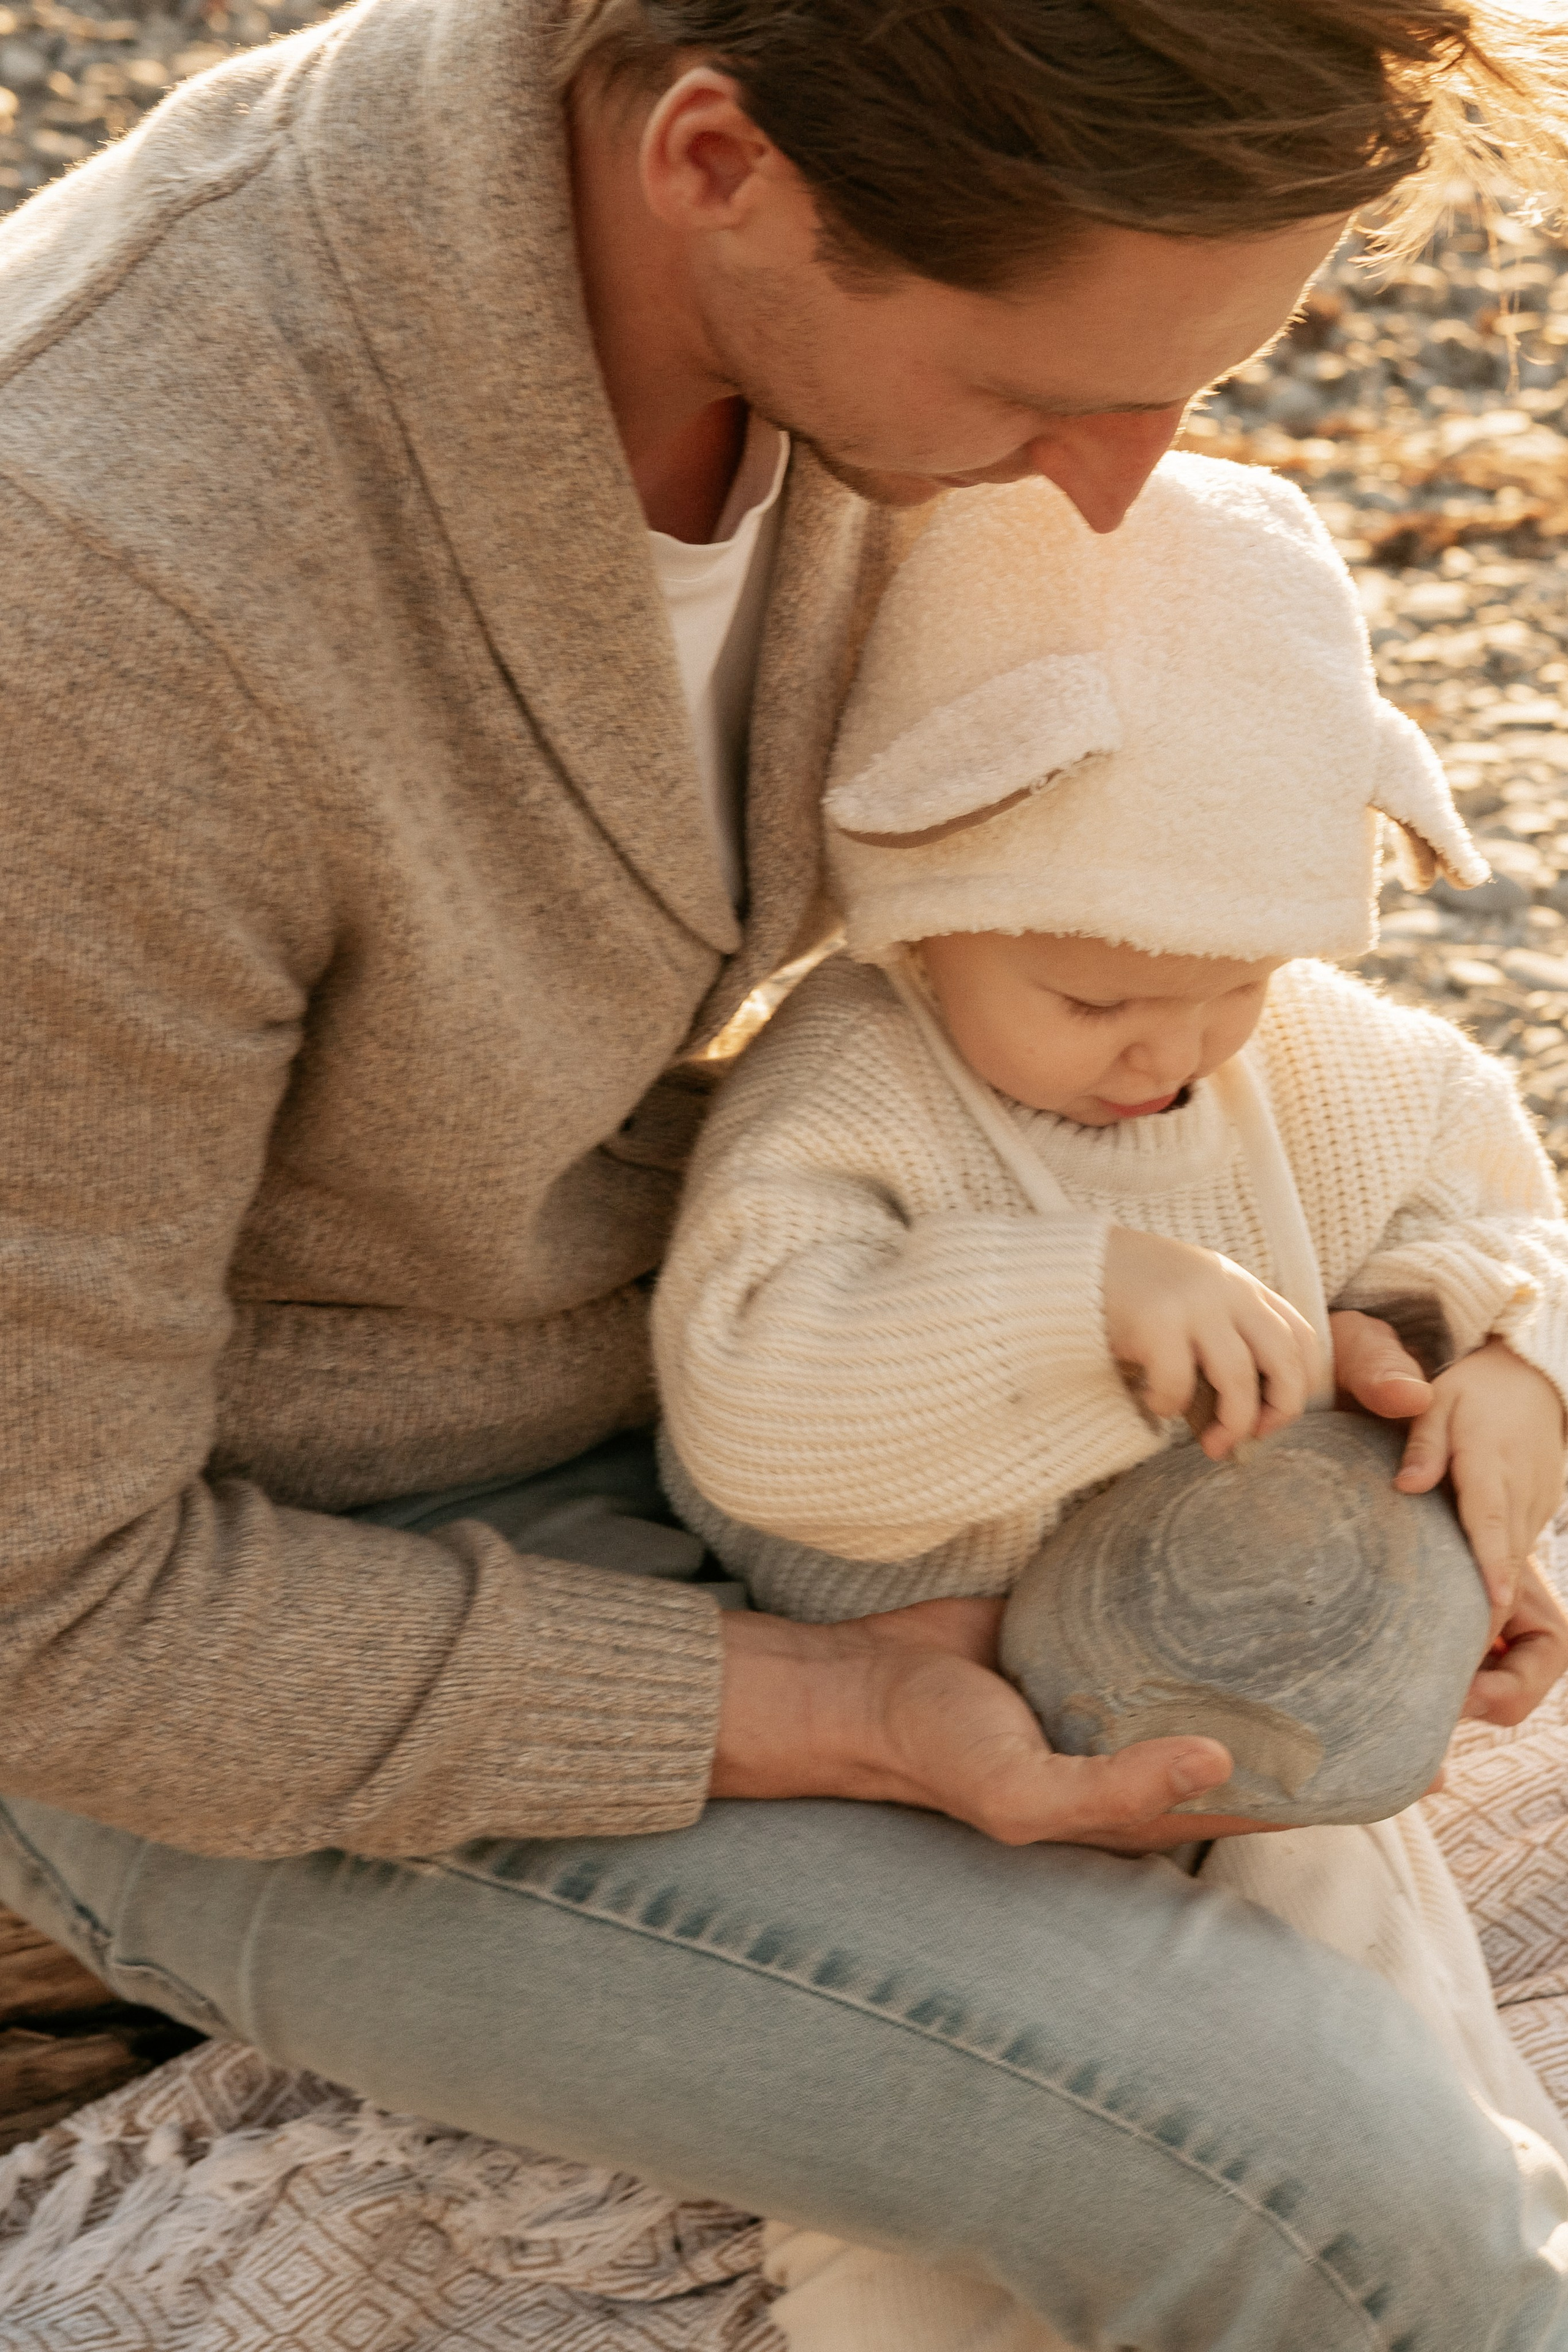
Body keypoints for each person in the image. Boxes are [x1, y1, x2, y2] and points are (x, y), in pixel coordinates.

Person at [4, 0, 1568, 2337]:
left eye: (1198, 391)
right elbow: (51, 1614)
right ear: (719, 163)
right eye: (1051, 400)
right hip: (236, 1624)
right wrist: (826, 1715)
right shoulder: (107, 592)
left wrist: (1469, 1353)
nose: (1124, 497)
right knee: (1352, 2209)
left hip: (700, 1377)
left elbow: (1251, 1010)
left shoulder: (811, 293)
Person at [651, 450, 1568, 2349]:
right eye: (1088, 1003)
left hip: (1259, 1707)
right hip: (919, 1733)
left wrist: (1497, 1364)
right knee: (907, 2203)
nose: (1174, 1053)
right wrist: (1080, 1301)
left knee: (1390, 2039)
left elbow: (1492, 1190)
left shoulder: (1296, 1058)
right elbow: (752, 1393)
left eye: (1234, 985)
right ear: (916, 893)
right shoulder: (854, 1083)